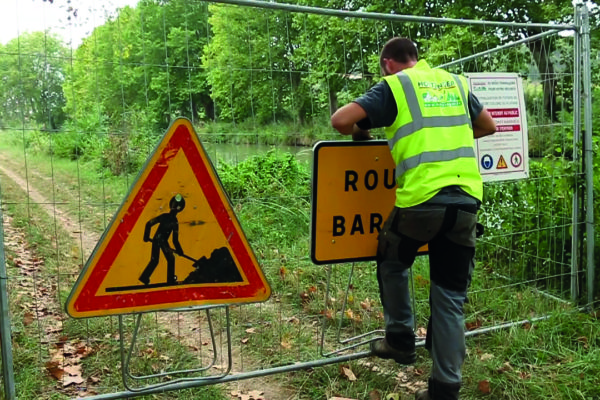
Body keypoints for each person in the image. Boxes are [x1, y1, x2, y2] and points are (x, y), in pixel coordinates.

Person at [330, 38, 496, 400]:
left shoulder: (395, 84)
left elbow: (341, 121)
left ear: (388, 63)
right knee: (450, 297)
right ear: (417, 59)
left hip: (422, 199)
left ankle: (400, 339)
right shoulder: (454, 82)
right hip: (467, 200)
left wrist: (363, 132)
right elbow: (488, 126)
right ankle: (445, 388)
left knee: (391, 258)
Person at [139, 194, 186, 285]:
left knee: (158, 260)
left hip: (160, 241)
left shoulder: (171, 220)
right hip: (160, 241)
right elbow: (149, 224)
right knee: (164, 259)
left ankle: (145, 277)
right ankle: (169, 281)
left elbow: (174, 239)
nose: (175, 209)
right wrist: (146, 236)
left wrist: (180, 250)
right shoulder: (171, 220)